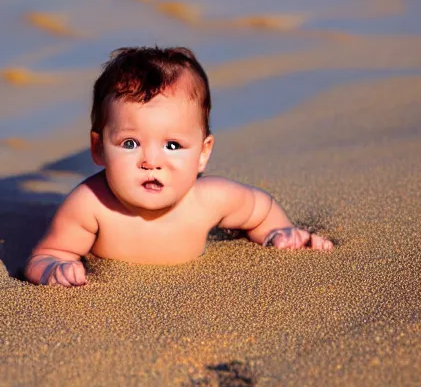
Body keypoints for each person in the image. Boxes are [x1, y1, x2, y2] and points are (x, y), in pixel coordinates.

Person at [25, 46, 334, 286]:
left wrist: (279, 233)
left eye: (172, 145)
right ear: (98, 149)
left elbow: (260, 210)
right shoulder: (90, 205)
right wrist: (55, 269)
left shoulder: (211, 199)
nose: (151, 161)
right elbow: (46, 255)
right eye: (130, 143)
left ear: (202, 152)